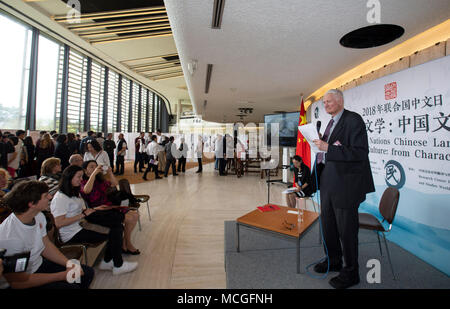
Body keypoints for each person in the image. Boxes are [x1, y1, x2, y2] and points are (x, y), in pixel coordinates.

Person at [312, 89, 375, 289]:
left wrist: (327, 148)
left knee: (347, 231)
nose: (326, 105)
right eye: (324, 102)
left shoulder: (353, 120)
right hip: (329, 182)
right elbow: (328, 151)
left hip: (347, 185)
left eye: (329, 101)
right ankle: (334, 261)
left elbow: (360, 152)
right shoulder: (330, 123)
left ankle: (351, 272)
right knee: (328, 226)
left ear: (340, 100)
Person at [0, 180, 94, 289]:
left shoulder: (38, 215)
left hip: (38, 265)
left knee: (87, 273)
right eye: (45, 196)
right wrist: (61, 276)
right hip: (24, 280)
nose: (50, 197)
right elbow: (18, 283)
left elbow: (46, 244)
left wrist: (68, 263)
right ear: (31, 204)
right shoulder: (10, 238)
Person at [50, 165, 137, 275]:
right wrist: (83, 214)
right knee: (115, 231)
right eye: (79, 177)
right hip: (72, 233)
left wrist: (94, 209)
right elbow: (59, 223)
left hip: (81, 223)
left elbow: (79, 211)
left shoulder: (73, 192)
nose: (81, 179)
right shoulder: (60, 198)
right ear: (69, 178)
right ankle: (117, 264)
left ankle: (109, 262)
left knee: (117, 225)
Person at [81, 160, 140, 255]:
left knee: (135, 215)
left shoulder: (99, 180)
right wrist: (94, 174)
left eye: (95, 166)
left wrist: (110, 173)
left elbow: (114, 183)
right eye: (91, 167)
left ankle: (125, 243)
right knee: (129, 218)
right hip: (98, 210)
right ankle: (127, 244)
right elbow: (86, 190)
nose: (95, 168)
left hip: (108, 206)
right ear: (85, 170)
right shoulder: (83, 182)